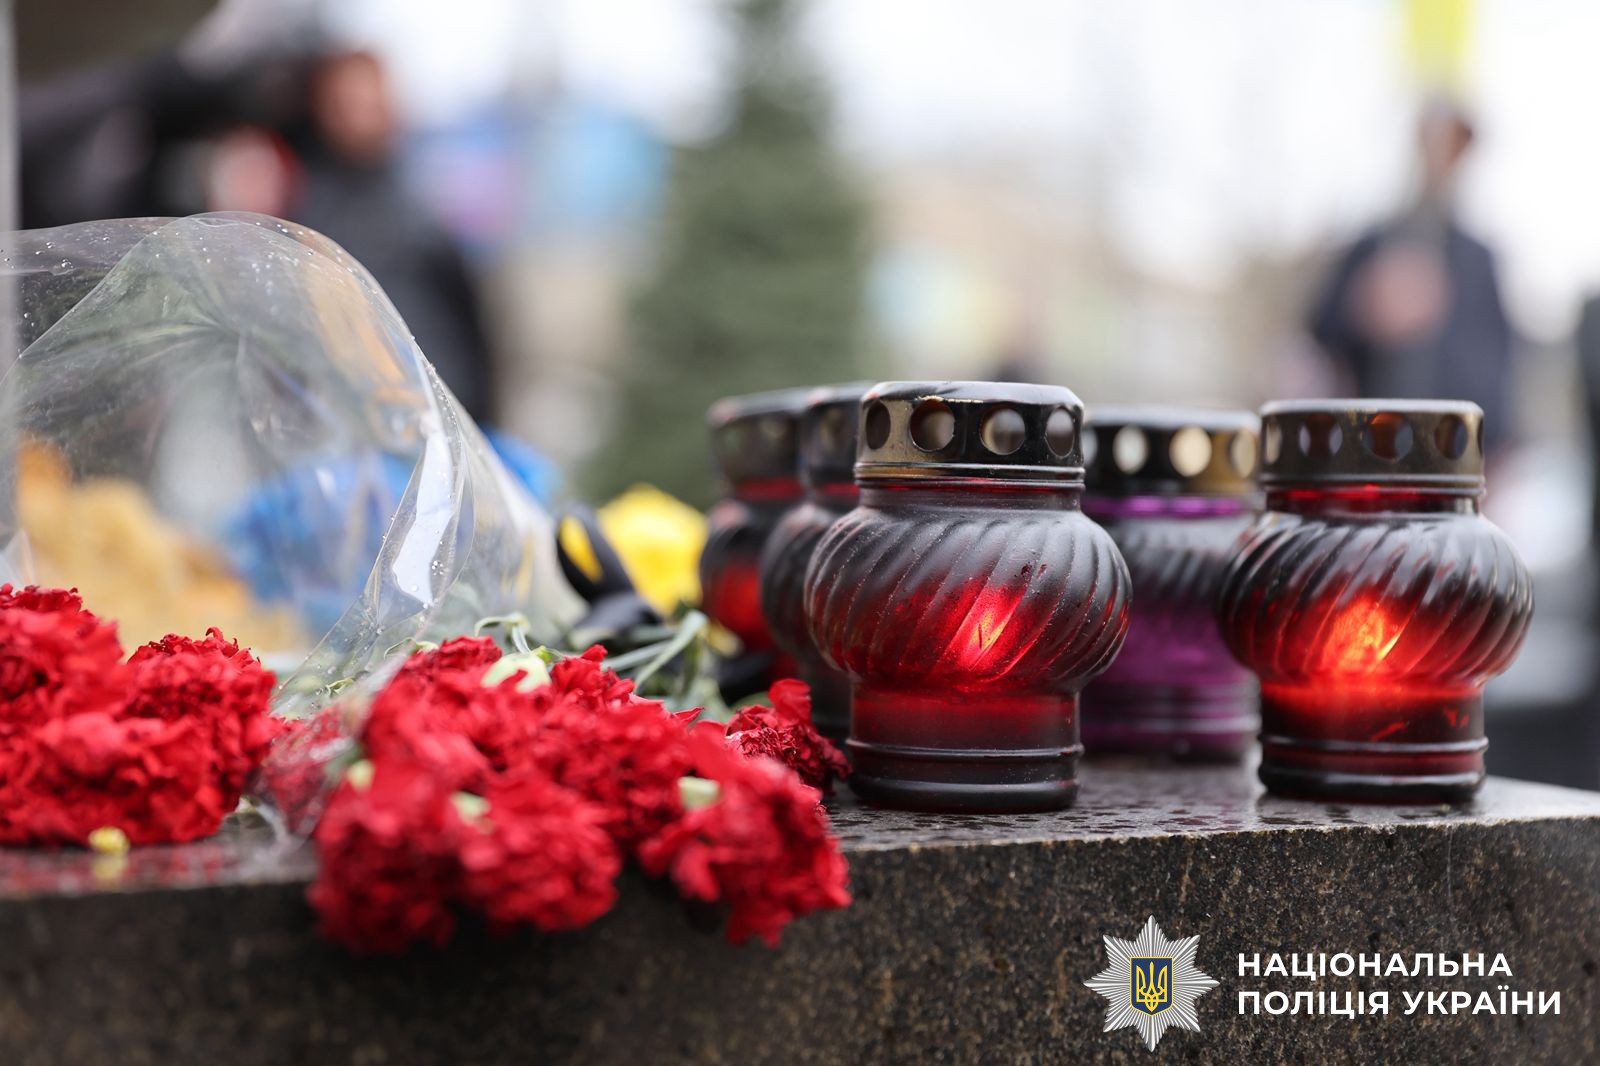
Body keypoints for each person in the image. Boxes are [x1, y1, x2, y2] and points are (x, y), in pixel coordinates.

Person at [1309, 99, 1514, 454]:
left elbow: (1499, 366)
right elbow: (1320, 332)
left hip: (1449, 454)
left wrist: (1494, 446)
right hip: (1371, 451)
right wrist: (1366, 308)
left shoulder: (1478, 260)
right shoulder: (1374, 245)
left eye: (1454, 145)